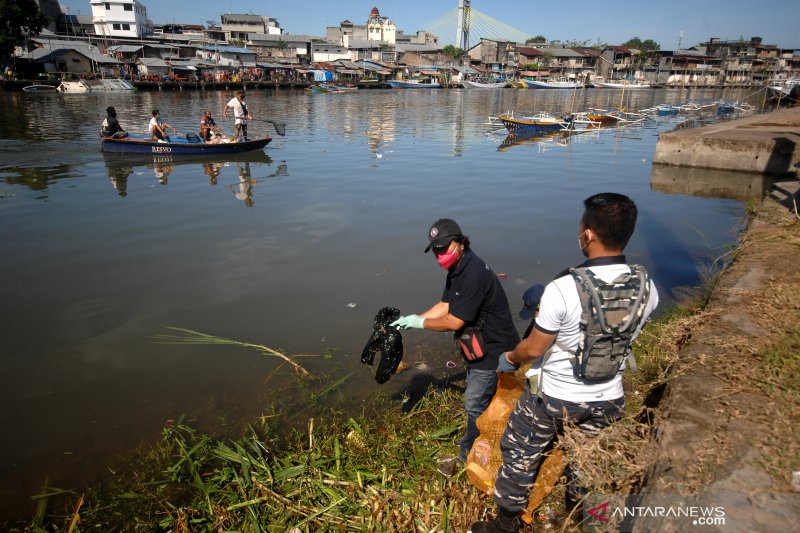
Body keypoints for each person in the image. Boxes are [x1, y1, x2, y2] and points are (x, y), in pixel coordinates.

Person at [469, 193, 659, 533]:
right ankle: (581, 517)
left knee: (519, 451)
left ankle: (505, 524)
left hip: (554, 398)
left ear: (587, 235)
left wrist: (509, 358)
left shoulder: (564, 288)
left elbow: (534, 349)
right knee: (588, 460)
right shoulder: (648, 287)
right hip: (610, 396)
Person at [391, 219, 520, 469]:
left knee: (474, 401)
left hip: (494, 349)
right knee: (486, 396)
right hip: (480, 344)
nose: (440, 254)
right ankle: (496, 435)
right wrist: (415, 319)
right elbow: (445, 305)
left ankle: (468, 455)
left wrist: (420, 325)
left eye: (444, 247)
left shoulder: (472, 274)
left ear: (460, 243)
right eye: (436, 250)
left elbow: (453, 321)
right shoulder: (459, 268)